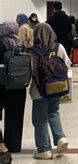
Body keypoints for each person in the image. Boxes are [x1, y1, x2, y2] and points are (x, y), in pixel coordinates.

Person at [28, 23, 69, 160]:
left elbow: (31, 71)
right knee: (53, 112)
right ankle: (60, 137)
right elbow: (67, 65)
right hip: (57, 87)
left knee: (40, 120)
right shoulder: (59, 47)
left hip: (39, 90)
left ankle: (44, 149)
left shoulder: (33, 51)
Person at [0, 22, 27, 158]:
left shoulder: (1, 44)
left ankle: (1, 145)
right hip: (19, 86)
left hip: (2, 86)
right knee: (15, 117)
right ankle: (14, 145)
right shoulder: (21, 45)